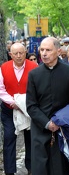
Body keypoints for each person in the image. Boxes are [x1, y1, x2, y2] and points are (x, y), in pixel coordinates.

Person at [26, 37, 69, 175]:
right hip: (41, 129)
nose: (44, 53)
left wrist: (60, 121)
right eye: (42, 50)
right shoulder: (34, 75)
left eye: (48, 50)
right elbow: (31, 105)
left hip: (64, 129)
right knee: (41, 169)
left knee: (63, 167)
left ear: (58, 51)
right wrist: (47, 123)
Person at [0, 43, 38, 175]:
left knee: (30, 138)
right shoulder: (3, 68)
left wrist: (23, 103)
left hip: (29, 110)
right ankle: (9, 171)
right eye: (15, 53)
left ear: (26, 52)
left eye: (21, 53)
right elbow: (1, 89)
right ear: (10, 55)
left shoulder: (34, 67)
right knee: (9, 138)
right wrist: (14, 102)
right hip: (9, 109)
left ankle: (31, 168)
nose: (18, 56)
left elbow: (37, 88)